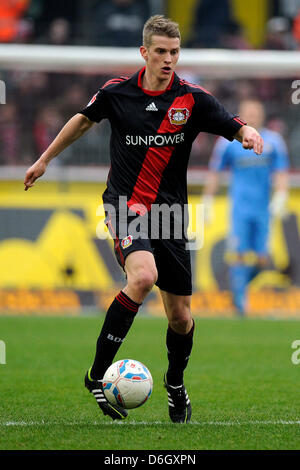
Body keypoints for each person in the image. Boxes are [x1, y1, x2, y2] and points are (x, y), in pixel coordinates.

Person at [24, 15, 263, 423]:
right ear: (144, 53)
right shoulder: (117, 93)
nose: (168, 59)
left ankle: (175, 384)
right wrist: (45, 159)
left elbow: (233, 125)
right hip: (125, 205)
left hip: (170, 215)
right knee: (142, 277)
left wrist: (249, 134)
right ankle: (97, 375)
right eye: (161, 52)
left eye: (174, 52)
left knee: (181, 318)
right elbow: (82, 120)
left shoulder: (193, 99)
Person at [203, 99, 289, 315]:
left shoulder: (274, 141)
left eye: (257, 111)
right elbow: (215, 171)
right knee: (239, 255)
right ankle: (241, 304)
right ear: (241, 114)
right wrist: (208, 200)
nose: (254, 115)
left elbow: (281, 171)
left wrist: (280, 194)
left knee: (263, 259)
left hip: (263, 210)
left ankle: (237, 288)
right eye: (249, 111)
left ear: (262, 114)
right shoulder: (228, 142)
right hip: (240, 209)